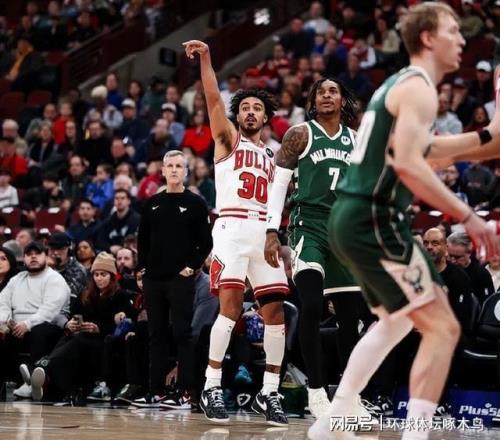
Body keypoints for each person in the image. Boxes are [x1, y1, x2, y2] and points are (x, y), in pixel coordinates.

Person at [310, 3, 500, 439]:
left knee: (396, 321)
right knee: (443, 328)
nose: (462, 40)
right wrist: (468, 216)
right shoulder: (419, 88)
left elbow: (425, 151)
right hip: (374, 216)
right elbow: (412, 164)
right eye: (453, 31)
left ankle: (331, 422)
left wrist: (488, 135)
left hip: (353, 217)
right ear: (428, 38)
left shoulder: (400, 86)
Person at [183, 39, 289, 425]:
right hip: (231, 227)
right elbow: (213, 100)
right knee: (229, 308)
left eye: (256, 108)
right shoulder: (228, 140)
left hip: (264, 233)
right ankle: (211, 385)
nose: (250, 112)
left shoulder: (274, 156)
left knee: (275, 313)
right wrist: (207, 58)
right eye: (244, 107)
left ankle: (270, 392)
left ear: (266, 117)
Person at [264, 77, 362, 418]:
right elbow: (278, 185)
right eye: (321, 92)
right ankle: (316, 391)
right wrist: (272, 231)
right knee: (311, 305)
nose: (327, 96)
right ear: (313, 100)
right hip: (308, 224)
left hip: (343, 231)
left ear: (343, 101)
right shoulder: (300, 135)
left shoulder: (356, 140)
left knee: (350, 317)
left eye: (333, 91)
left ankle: (348, 396)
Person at [136, 150, 212, 408]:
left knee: (182, 333)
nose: (174, 170)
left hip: (180, 279)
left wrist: (191, 268)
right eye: (170, 166)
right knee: (156, 334)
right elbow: (142, 241)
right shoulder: (152, 203)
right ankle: (155, 391)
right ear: (163, 171)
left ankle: (185, 392)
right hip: (154, 280)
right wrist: (143, 268)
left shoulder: (196, 203)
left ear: (186, 171)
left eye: (179, 166)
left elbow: (206, 242)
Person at [30, 252, 136, 403]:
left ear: (112, 276)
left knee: (77, 341)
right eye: (96, 274)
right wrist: (71, 324)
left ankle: (43, 367)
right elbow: (74, 315)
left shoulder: (121, 296)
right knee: (68, 337)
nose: (99, 278)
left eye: (103, 274)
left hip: (103, 340)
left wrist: (98, 328)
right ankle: (45, 373)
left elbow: (123, 325)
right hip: (83, 336)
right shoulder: (86, 294)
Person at [0, 241, 70, 399]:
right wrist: (6, 322)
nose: (33, 257)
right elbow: (3, 302)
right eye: (29, 254)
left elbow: (50, 310)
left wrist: (27, 324)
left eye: (37, 254)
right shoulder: (17, 279)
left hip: (48, 327)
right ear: (23, 258)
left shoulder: (54, 279)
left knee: (40, 331)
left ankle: (32, 381)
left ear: (46, 256)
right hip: (16, 326)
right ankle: (20, 379)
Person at [447, 232, 494, 303]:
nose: (453, 260)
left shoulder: (481, 274)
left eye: (457, 257)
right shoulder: (444, 270)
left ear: (469, 253)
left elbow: (488, 304)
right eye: (450, 256)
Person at [47, 232, 88, 309]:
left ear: (69, 250)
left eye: (60, 249)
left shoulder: (78, 270)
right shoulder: (44, 267)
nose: (55, 253)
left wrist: (51, 271)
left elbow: (66, 297)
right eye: (52, 249)